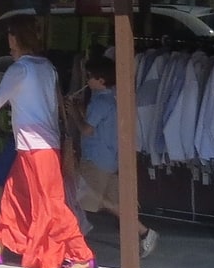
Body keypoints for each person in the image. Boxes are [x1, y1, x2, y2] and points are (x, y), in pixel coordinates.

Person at [0, 16, 94, 268]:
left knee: (52, 204)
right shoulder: (47, 66)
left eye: (12, 44)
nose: (10, 49)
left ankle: (82, 255)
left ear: (22, 42)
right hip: (40, 145)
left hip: (36, 148)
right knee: (14, 198)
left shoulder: (20, 69)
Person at [66, 56, 159, 257]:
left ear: (101, 80)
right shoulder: (110, 100)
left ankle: (73, 244)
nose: (87, 81)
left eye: (90, 77)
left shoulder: (101, 101)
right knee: (115, 204)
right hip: (109, 158)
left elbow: (87, 130)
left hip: (96, 158)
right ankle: (145, 233)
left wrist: (73, 112)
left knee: (81, 197)